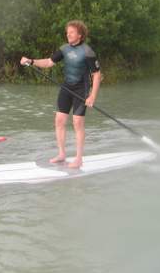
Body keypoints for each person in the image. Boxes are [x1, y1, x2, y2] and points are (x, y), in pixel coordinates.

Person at [20, 20, 101, 168]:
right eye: (67, 32)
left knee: (77, 122)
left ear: (80, 35)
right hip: (66, 88)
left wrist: (92, 96)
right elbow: (49, 62)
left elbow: (96, 74)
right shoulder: (64, 49)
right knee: (59, 120)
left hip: (81, 90)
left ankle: (78, 158)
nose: (68, 34)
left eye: (71, 32)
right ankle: (62, 154)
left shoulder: (88, 52)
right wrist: (31, 61)